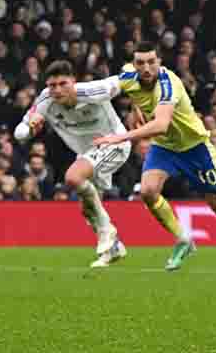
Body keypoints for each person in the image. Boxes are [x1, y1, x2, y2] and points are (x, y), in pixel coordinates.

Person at [91, 45, 216, 274]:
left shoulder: (169, 84)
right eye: (140, 63)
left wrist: (120, 137)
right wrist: (135, 106)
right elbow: (128, 85)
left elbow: (160, 124)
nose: (146, 67)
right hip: (165, 147)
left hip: (195, 148)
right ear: (134, 64)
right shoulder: (128, 75)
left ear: (159, 61)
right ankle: (183, 239)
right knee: (148, 191)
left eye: (151, 61)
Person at [11, 60, 129, 267]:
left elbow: (126, 81)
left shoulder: (94, 90)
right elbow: (19, 133)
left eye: (63, 83)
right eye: (52, 85)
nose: (57, 90)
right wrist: (30, 127)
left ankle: (107, 232)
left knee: (73, 177)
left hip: (115, 143)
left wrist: (140, 102)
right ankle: (114, 248)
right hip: (88, 153)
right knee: (88, 209)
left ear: (74, 81)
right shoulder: (45, 100)